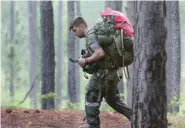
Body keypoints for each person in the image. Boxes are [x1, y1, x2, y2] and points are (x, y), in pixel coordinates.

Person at [69, 16, 133, 128]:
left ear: (82, 26)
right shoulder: (95, 35)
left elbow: (99, 53)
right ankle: (137, 118)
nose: (74, 33)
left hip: (102, 74)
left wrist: (85, 61)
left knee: (91, 94)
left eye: (75, 30)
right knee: (113, 100)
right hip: (112, 74)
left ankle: (93, 125)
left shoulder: (91, 36)